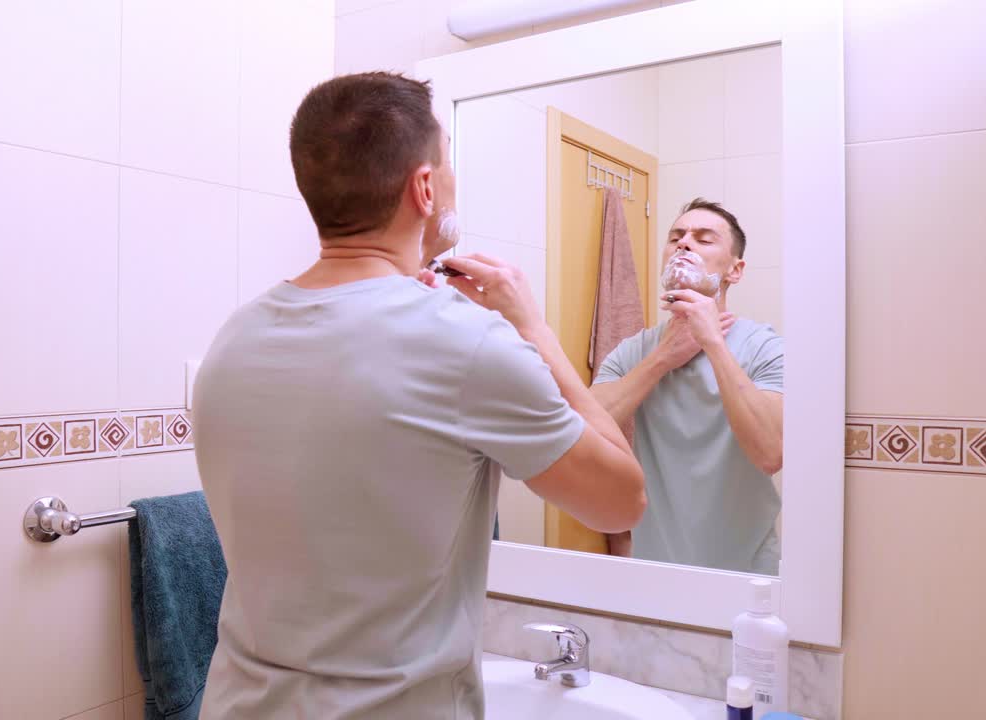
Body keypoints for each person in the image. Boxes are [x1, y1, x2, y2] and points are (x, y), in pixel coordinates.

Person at [192, 72, 645, 720]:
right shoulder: (466, 343)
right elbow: (622, 500)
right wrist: (533, 330)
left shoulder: (233, 338)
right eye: (449, 160)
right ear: (424, 188)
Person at [591, 198, 784, 574]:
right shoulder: (635, 352)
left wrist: (712, 342)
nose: (684, 243)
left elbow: (770, 453)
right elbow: (580, 432)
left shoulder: (766, 348)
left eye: (703, 238)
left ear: (735, 270)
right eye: (676, 236)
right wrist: (663, 357)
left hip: (747, 571)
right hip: (656, 568)